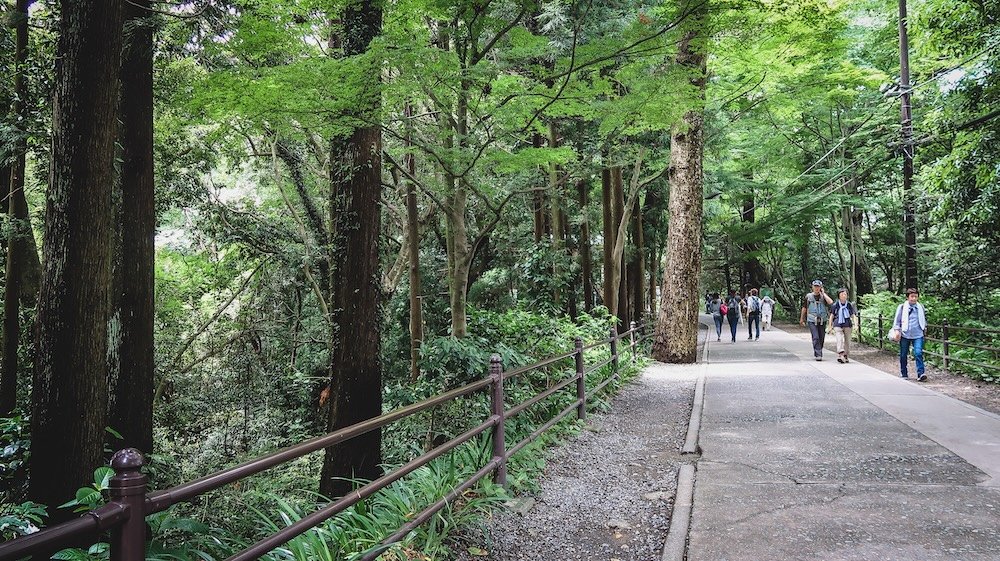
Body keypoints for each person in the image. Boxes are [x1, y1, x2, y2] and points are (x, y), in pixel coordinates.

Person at [892, 288, 927, 381]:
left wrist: (924, 330)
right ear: (907, 297)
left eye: (916, 296)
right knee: (903, 354)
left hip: (918, 334)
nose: (914, 298)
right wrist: (897, 331)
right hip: (905, 333)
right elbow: (897, 321)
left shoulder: (920, 307)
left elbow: (923, 320)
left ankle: (921, 373)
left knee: (918, 353)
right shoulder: (902, 307)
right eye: (912, 296)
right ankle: (904, 373)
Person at [799, 280, 833, 360]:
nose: (816, 288)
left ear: (821, 287)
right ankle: (818, 354)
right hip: (811, 319)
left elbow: (831, 302)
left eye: (818, 286)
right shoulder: (808, 297)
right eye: (815, 286)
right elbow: (804, 308)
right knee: (815, 336)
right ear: (812, 287)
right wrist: (802, 319)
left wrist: (823, 294)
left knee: (821, 336)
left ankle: (818, 350)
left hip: (822, 319)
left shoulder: (823, 297)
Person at [828, 288, 856, 363]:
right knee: (839, 338)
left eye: (845, 294)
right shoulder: (835, 305)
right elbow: (832, 316)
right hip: (838, 324)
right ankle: (841, 353)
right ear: (839, 296)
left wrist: (856, 325)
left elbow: (853, 315)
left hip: (847, 324)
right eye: (842, 294)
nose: (844, 295)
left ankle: (846, 355)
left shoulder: (849, 304)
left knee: (847, 341)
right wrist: (830, 326)